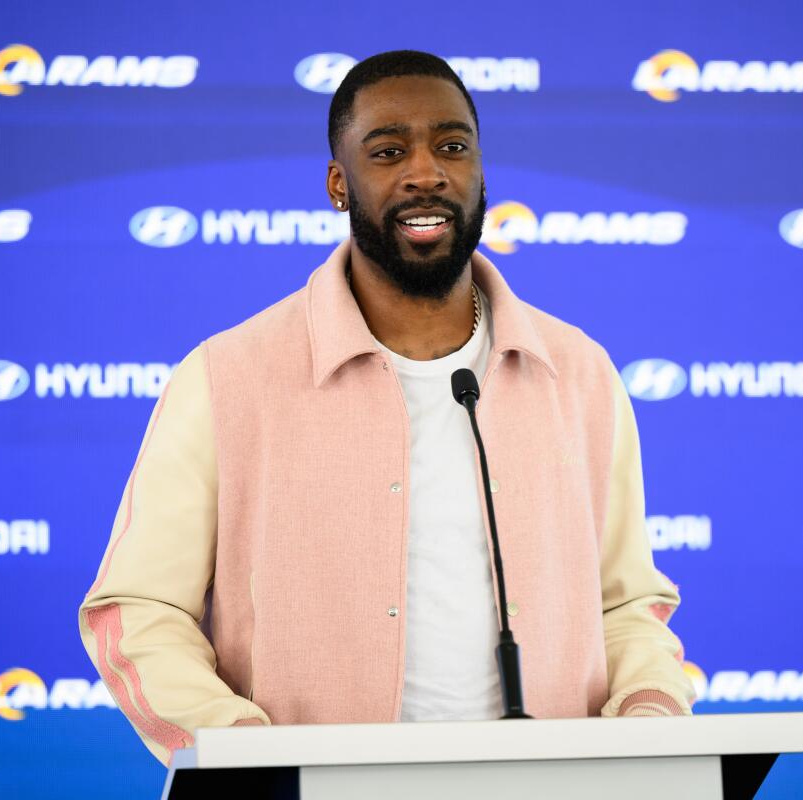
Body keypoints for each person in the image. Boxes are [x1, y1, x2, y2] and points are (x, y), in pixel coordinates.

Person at [78, 49, 694, 765]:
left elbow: (625, 608)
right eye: (388, 150)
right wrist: (244, 756)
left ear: (481, 173)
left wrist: (649, 717)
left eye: (453, 146)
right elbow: (140, 610)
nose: (426, 171)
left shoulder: (578, 372)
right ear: (339, 185)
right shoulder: (226, 377)